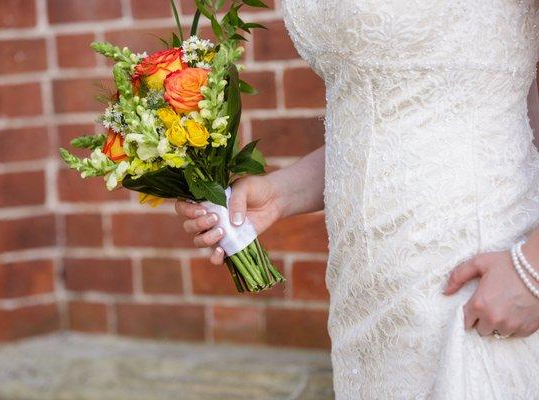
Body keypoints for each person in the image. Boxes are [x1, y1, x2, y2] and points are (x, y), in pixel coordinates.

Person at [176, 1, 539, 398]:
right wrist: (281, 194)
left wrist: (532, 271)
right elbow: (384, 120)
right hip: (362, 293)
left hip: (475, 274)